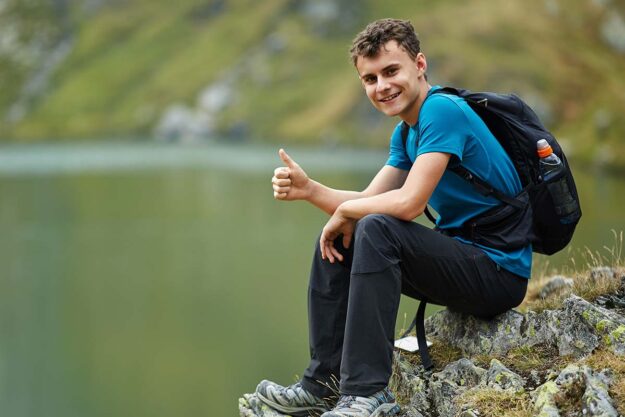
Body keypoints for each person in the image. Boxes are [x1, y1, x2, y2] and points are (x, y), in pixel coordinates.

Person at [255, 18, 531, 417]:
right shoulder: (407, 133)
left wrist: (349, 211)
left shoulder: (441, 111)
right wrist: (310, 190)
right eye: (369, 79)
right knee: (346, 233)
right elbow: (371, 200)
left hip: (500, 274)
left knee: (375, 227)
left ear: (419, 64)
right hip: (465, 261)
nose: (381, 86)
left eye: (390, 71)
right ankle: (322, 386)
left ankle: (368, 393)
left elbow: (408, 204)